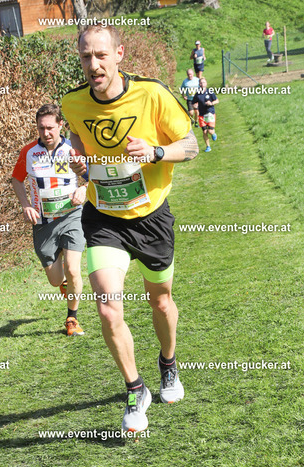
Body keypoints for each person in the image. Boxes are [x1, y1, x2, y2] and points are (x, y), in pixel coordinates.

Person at [61, 24, 199, 432]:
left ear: (119, 55)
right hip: (104, 217)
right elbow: (77, 136)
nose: (93, 64)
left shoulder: (152, 94)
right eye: (86, 56)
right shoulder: (72, 102)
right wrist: (79, 158)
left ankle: (168, 363)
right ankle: (135, 388)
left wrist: (155, 151)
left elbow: (190, 145)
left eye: (101, 55)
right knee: (107, 307)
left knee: (161, 301)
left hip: (151, 217)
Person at [12, 104, 87, 336]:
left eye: (50, 128)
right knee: (55, 280)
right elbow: (16, 180)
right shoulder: (29, 152)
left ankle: (72, 319)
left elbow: (92, 176)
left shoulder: (73, 150)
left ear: (60, 125)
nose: (46, 133)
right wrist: (26, 205)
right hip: (43, 223)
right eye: (41, 128)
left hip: (71, 216)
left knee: (73, 269)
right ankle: (64, 281)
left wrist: (84, 188)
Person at [192, 77, 219, 152]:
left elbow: (217, 100)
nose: (202, 84)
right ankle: (208, 147)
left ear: (206, 83)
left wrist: (211, 103)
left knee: (210, 131)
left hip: (210, 114)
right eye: (201, 83)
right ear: (199, 84)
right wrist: (194, 106)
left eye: (203, 82)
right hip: (201, 115)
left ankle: (213, 133)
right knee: (204, 131)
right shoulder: (197, 94)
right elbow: (193, 103)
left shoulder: (210, 92)